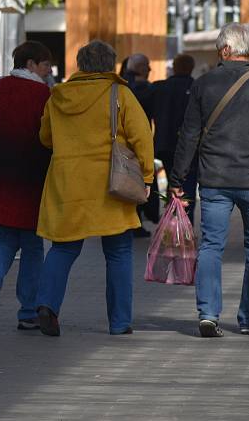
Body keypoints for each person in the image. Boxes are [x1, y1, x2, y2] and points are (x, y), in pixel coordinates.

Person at [168, 23, 249, 338]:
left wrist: (178, 178)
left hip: (214, 180)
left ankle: (208, 314)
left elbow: (188, 134)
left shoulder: (203, 84)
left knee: (212, 245)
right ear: (248, 51)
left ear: (226, 50)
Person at [35, 40, 154, 337]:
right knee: (118, 251)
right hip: (111, 182)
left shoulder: (58, 96)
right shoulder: (120, 93)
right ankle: (120, 321)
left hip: (67, 180)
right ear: (111, 65)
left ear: (80, 64)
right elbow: (142, 137)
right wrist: (148, 177)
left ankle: (47, 305)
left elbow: (45, 137)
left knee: (63, 247)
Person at [0, 41, 52, 331]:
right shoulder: (42, 94)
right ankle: (28, 310)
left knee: (5, 241)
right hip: (30, 182)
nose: (48, 71)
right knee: (32, 246)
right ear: (31, 64)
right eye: (46, 65)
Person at [149, 54, 198, 224]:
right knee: (187, 190)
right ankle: (184, 227)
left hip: (163, 145)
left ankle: (169, 223)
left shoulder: (159, 87)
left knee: (167, 186)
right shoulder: (196, 87)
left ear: (174, 67)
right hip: (188, 148)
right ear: (191, 67)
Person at [121, 52, 157, 234]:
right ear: (140, 68)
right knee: (138, 183)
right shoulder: (143, 88)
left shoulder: (119, 84)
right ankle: (134, 224)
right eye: (147, 65)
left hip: (119, 144)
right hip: (134, 143)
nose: (150, 69)